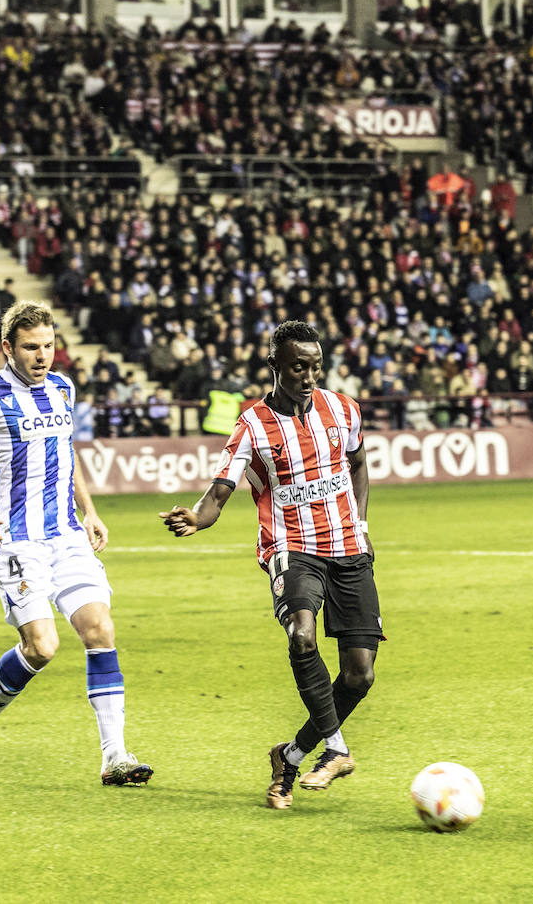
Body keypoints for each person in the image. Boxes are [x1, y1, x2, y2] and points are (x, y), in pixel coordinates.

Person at [159, 320, 380, 810]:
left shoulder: (343, 410)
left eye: (316, 366)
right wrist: (198, 517)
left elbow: (358, 463)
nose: (309, 376)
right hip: (291, 547)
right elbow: (222, 490)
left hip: (348, 547)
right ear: (275, 366)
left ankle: (293, 754)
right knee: (302, 636)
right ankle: (337, 749)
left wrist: (361, 526)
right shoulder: (253, 424)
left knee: (359, 676)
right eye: (299, 367)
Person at [0, 301, 151, 787]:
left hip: (66, 535)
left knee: (99, 629)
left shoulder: (62, 387)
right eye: (31, 347)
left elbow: (64, 454)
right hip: (17, 541)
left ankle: (115, 755)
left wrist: (90, 511)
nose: (42, 356)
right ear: (8, 348)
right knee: (41, 647)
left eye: (49, 346)